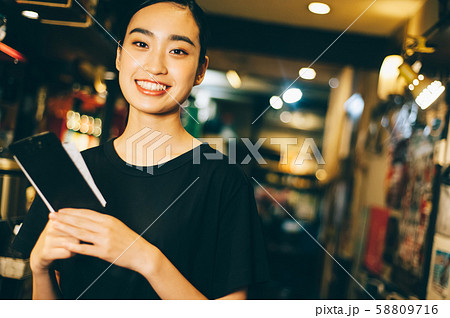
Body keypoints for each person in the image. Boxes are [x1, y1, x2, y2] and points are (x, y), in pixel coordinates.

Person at [12, 0, 269, 300]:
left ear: (200, 70)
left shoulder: (224, 181)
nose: (155, 66)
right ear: (120, 55)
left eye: (178, 51)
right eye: (141, 44)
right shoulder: (71, 172)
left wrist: (146, 259)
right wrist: (40, 268)